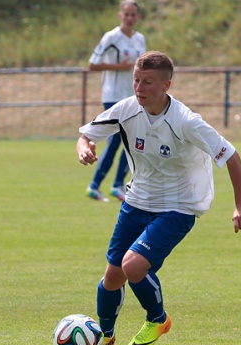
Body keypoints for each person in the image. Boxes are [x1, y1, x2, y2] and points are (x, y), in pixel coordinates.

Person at [76, 51, 241, 345]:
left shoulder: (186, 121)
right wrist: (85, 147)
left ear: (166, 85)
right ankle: (103, 335)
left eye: (148, 82)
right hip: (137, 200)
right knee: (112, 276)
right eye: (136, 80)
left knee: (133, 267)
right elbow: (87, 134)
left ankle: (158, 319)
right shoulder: (127, 109)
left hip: (179, 205)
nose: (139, 88)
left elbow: (231, 155)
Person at [85, 0, 147, 202]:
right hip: (113, 96)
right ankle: (104, 185)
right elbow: (92, 64)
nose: (129, 18)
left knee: (132, 140)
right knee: (118, 141)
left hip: (133, 96)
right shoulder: (111, 37)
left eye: (133, 15)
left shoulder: (140, 39)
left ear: (137, 17)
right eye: (126, 14)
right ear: (120, 15)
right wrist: (117, 67)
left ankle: (112, 185)